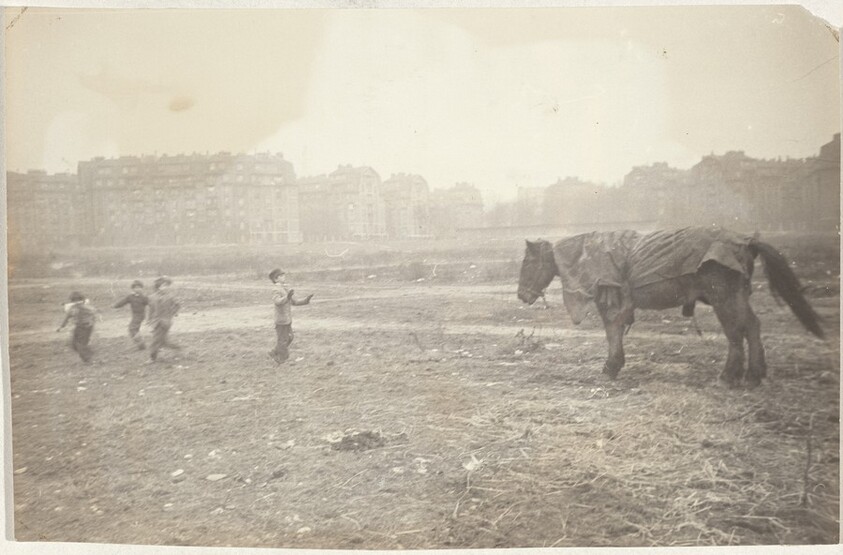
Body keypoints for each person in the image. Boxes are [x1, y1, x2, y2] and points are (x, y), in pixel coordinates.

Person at [268, 268, 312, 364]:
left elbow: (294, 301)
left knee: (290, 337)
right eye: (281, 276)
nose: (284, 277)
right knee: (283, 340)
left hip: (287, 319)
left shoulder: (285, 288)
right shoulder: (275, 289)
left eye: (284, 275)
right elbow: (277, 301)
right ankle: (281, 359)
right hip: (281, 320)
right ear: (276, 279)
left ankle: (274, 352)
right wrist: (287, 297)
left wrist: (306, 300)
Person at [57, 291, 100, 363]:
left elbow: (67, 318)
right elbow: (94, 314)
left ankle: (88, 358)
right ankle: (88, 353)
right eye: (75, 300)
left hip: (84, 327)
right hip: (83, 327)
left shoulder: (73, 308)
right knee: (76, 344)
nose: (76, 302)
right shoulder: (87, 308)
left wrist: (61, 327)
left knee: (79, 344)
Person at [146, 276, 181, 363]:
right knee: (161, 340)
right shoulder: (151, 297)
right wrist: (149, 319)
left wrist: (172, 313)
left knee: (156, 340)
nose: (166, 287)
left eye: (167, 285)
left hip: (166, 321)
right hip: (155, 321)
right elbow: (151, 309)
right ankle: (177, 348)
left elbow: (177, 305)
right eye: (163, 285)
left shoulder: (170, 297)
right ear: (158, 287)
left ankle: (152, 358)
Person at [113, 280, 149, 350]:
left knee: (132, 328)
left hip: (140, 315)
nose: (137, 289)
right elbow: (123, 302)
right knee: (135, 329)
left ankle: (141, 343)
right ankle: (141, 345)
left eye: (139, 287)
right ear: (133, 289)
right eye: (135, 288)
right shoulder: (130, 297)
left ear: (142, 288)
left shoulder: (144, 297)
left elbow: (151, 303)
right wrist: (115, 306)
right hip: (135, 315)